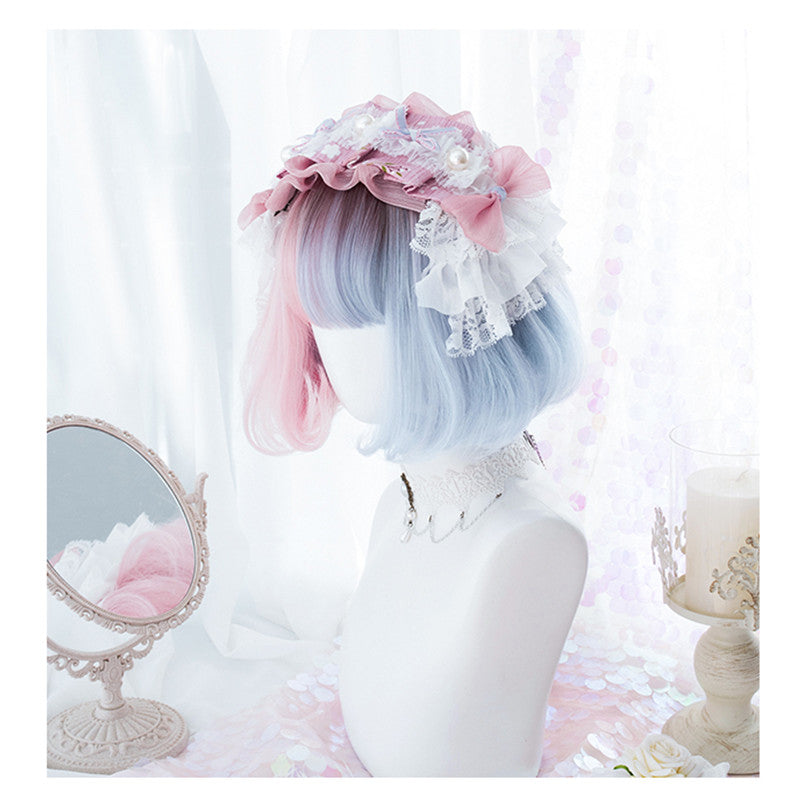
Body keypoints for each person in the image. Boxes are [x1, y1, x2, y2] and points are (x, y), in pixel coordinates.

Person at [239, 92, 587, 776]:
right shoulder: (401, 503)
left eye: (358, 315)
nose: (323, 345)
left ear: (456, 313)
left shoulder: (532, 543)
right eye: (316, 312)